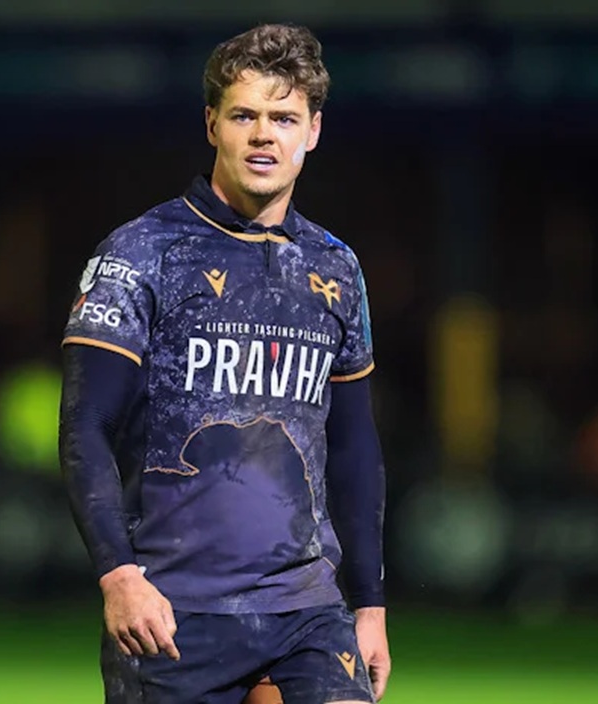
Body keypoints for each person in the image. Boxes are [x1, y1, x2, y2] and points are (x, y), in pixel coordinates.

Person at [59, 23, 390, 704]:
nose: (264, 135)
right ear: (212, 124)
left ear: (313, 131)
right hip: (173, 613)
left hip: (307, 611)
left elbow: (354, 445)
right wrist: (119, 575)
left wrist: (369, 603)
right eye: (244, 115)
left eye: (283, 118)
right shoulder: (141, 253)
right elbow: (85, 426)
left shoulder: (335, 266)